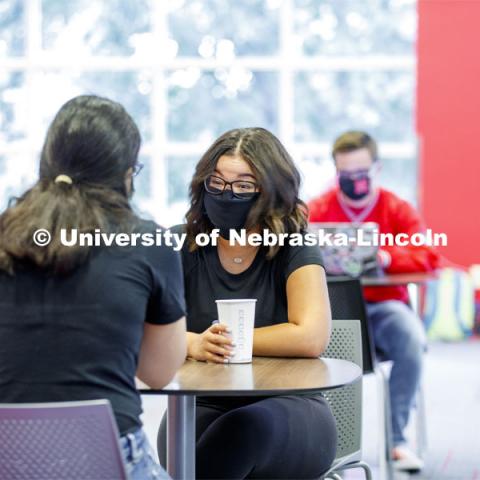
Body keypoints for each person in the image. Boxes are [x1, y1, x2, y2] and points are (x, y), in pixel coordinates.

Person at [0, 95, 187, 479]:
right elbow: (158, 372)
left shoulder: (5, 234)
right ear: (126, 174)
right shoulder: (147, 242)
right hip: (104, 459)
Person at [157, 127, 337, 479]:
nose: (227, 195)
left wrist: (227, 340)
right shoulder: (180, 245)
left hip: (293, 404)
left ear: (271, 191)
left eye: (243, 185)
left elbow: (311, 336)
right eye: (217, 183)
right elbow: (144, 329)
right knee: (185, 453)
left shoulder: (293, 245)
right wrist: (194, 341)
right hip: (200, 401)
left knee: (240, 433)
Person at [308, 130, 440, 472]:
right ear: (336, 171)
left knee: (411, 338)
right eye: (346, 175)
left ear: (376, 169)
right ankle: (321, 442)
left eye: (361, 174)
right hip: (335, 310)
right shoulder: (318, 209)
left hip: (384, 307)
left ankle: (397, 439)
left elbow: (426, 255)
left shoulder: (396, 209)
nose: (355, 181)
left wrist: (384, 257)